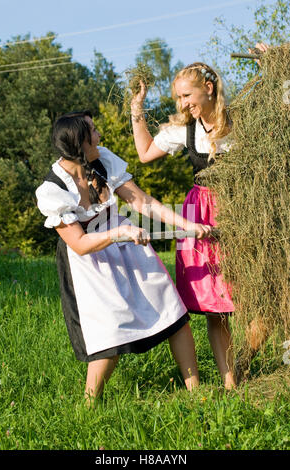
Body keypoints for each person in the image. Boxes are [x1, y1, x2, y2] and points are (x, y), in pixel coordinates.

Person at [35, 110, 212, 404]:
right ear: (80, 141)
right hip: (91, 263)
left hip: (128, 242)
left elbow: (141, 202)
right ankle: (90, 405)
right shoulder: (53, 190)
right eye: (93, 131)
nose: (99, 135)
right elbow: (79, 243)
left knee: (173, 312)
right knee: (111, 335)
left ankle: (197, 391)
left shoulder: (102, 159)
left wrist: (187, 224)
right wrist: (120, 234)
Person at [130, 43, 270, 389]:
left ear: (208, 88)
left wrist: (267, 67)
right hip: (201, 216)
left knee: (263, 298)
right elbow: (146, 153)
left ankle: (243, 360)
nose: (182, 104)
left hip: (244, 211)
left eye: (186, 95)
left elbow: (271, 107)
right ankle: (230, 384)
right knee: (217, 306)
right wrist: (137, 111)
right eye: (178, 98)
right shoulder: (184, 131)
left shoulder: (241, 121)